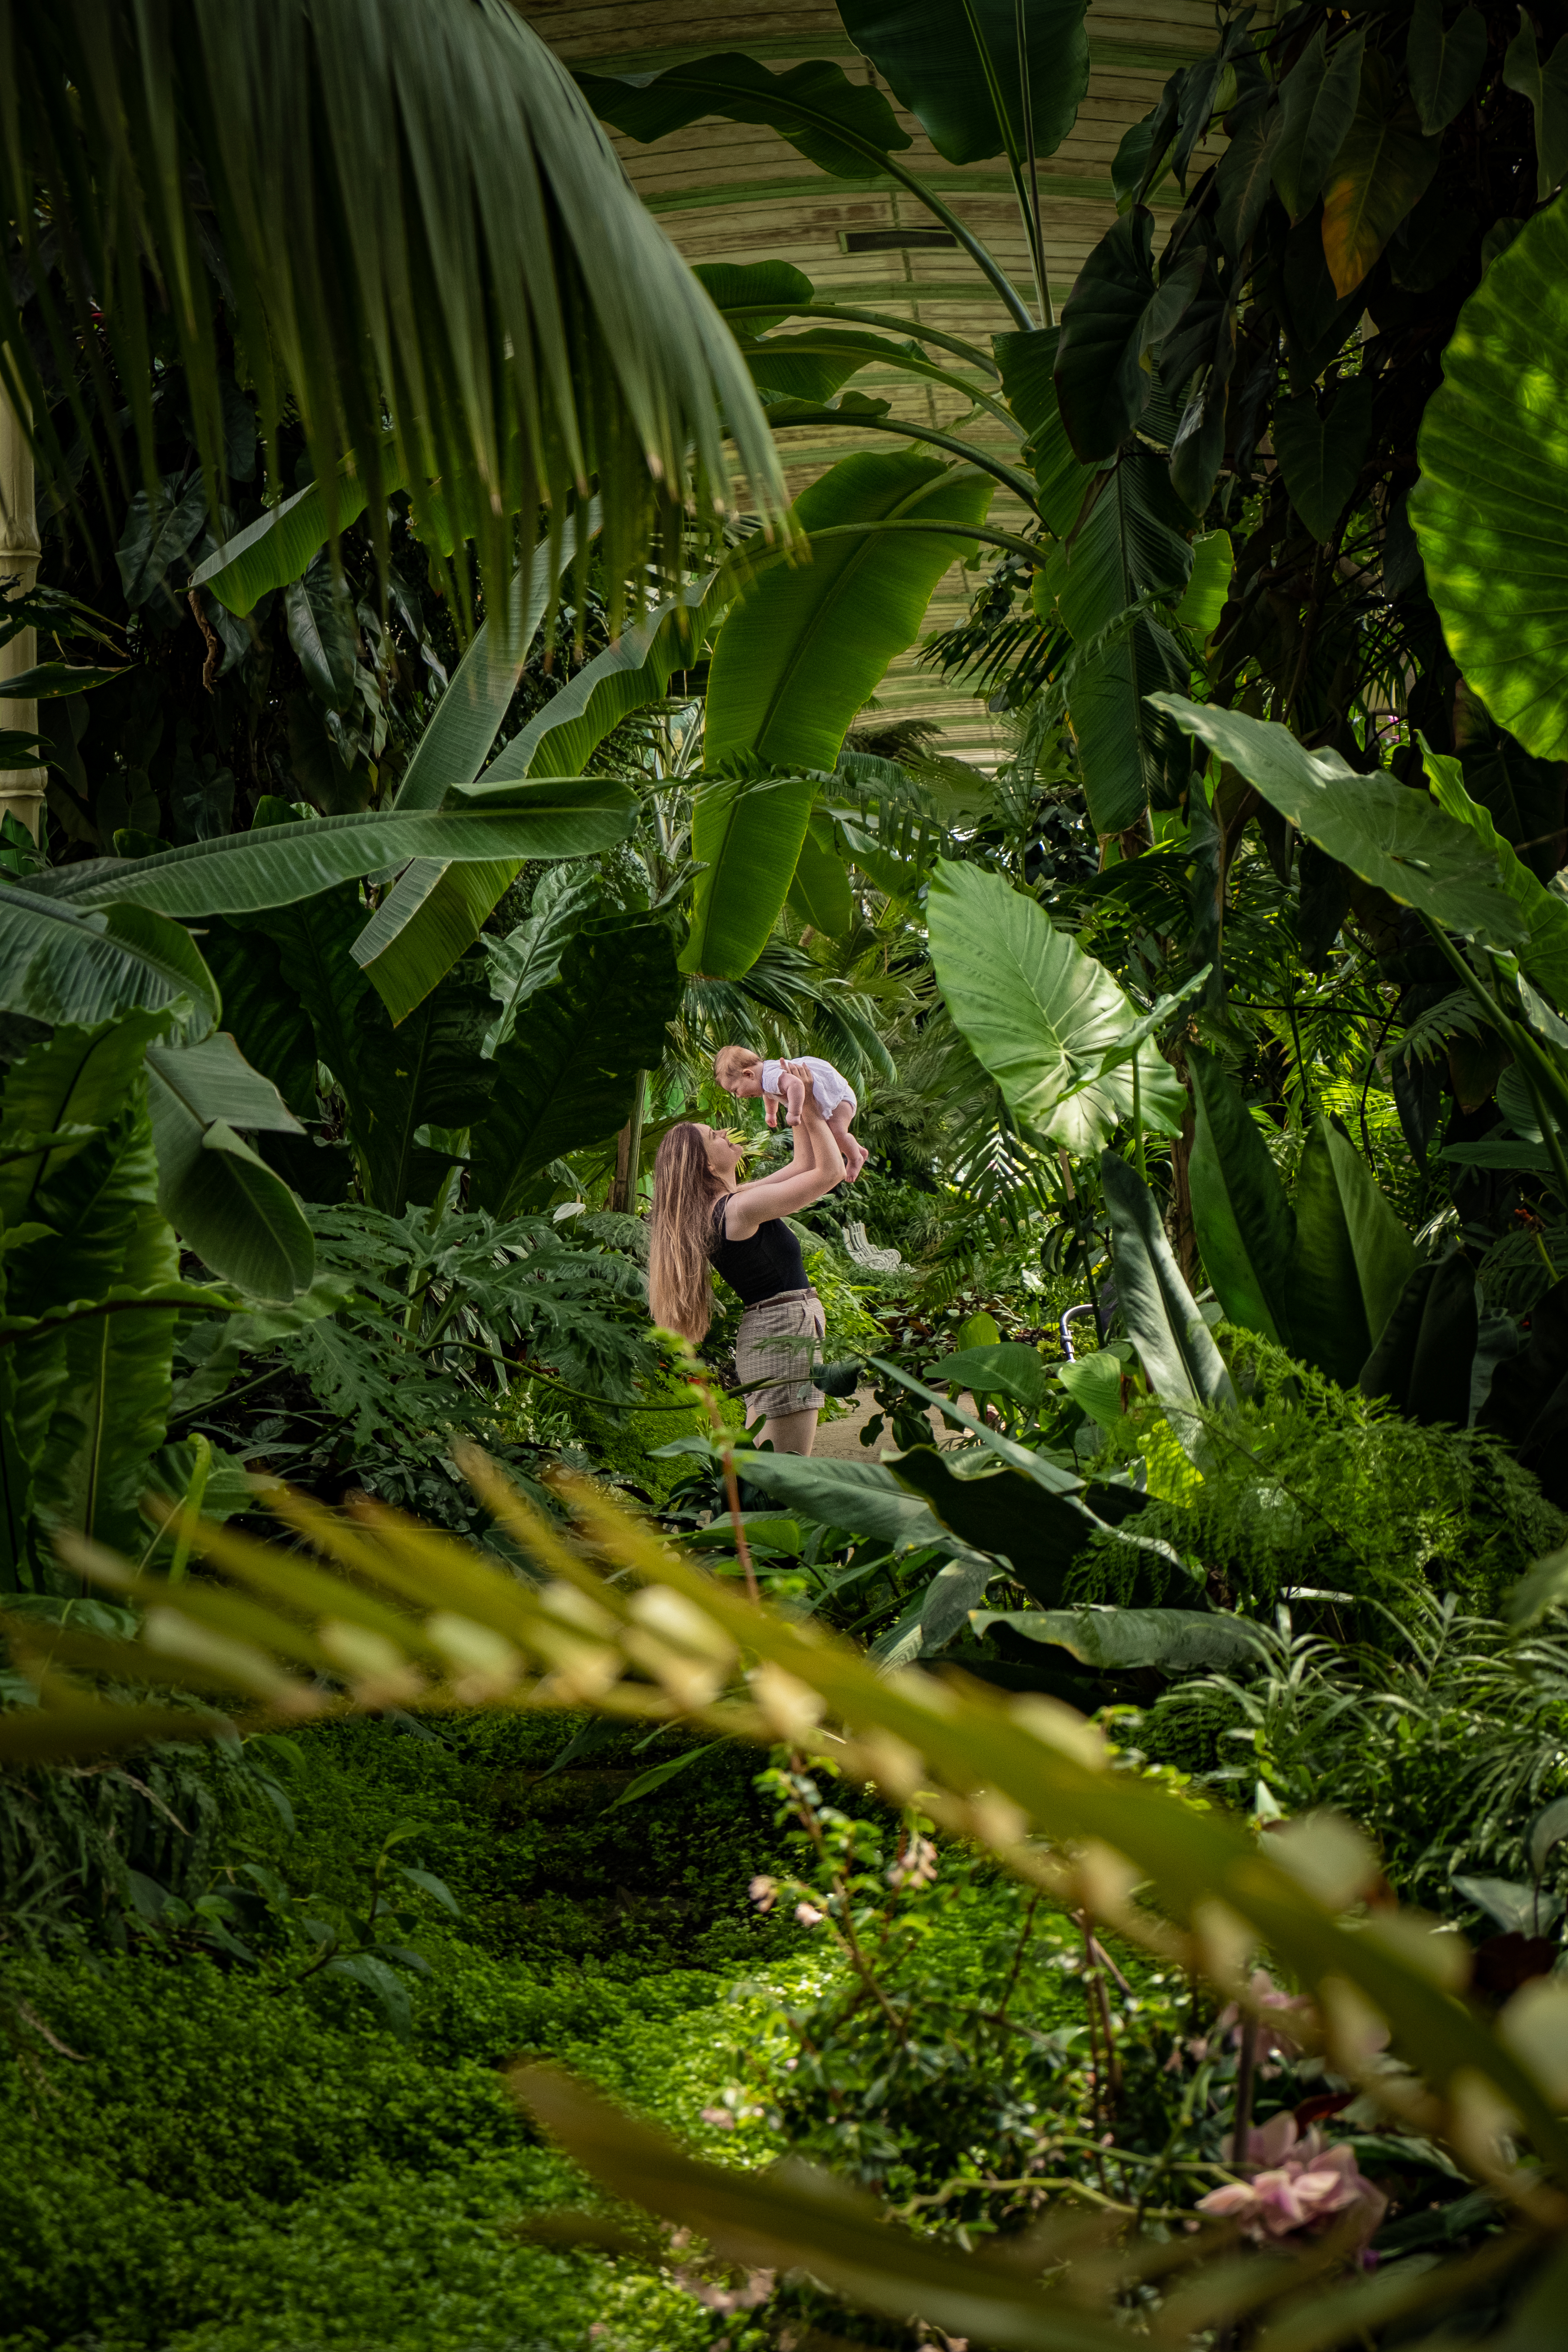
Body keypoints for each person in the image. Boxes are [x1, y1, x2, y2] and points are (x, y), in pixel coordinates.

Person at [648, 1063, 847, 1455]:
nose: (723, 1132)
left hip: (772, 1332)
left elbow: (804, 1167)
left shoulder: (726, 1207)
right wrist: (805, 1109)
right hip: (782, 1334)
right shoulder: (737, 1211)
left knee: (759, 1466)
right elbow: (830, 1173)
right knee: (782, 1474)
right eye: (713, 1136)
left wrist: (794, 1100)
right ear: (706, 1164)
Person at [712, 1044, 867, 1180]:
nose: (739, 1096)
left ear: (748, 1074)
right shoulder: (765, 1079)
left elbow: (796, 1085)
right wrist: (771, 1113)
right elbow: (770, 1095)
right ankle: (855, 1149)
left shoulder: (771, 1076)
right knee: (831, 1139)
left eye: (736, 1090)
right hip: (830, 1098)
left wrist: (794, 1113)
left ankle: (855, 1159)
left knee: (837, 1133)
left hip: (840, 1098)